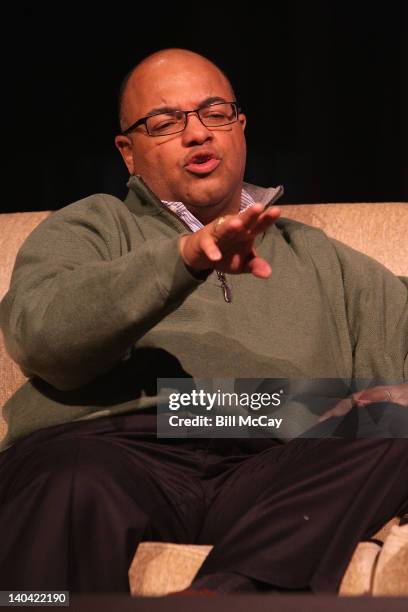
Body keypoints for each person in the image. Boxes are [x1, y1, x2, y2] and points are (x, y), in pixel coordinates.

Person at [0, 48, 407, 594]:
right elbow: (43, 336)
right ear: (128, 152)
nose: (197, 134)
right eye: (166, 122)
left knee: (391, 423)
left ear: (240, 127)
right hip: (116, 447)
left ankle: (222, 596)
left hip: (274, 470)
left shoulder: (321, 257)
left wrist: (306, 409)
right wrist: (184, 258)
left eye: (215, 114)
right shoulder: (91, 227)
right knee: (67, 477)